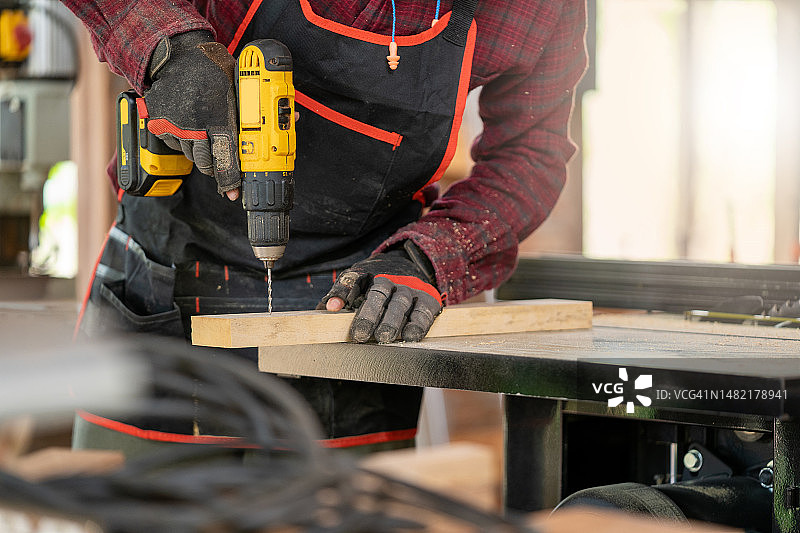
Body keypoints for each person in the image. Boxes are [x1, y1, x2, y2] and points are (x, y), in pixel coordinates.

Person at [63, 0, 587, 452]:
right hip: (165, 289)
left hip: (357, 321)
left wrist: (428, 257)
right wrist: (169, 47)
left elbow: (530, 155)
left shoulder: (535, 9)